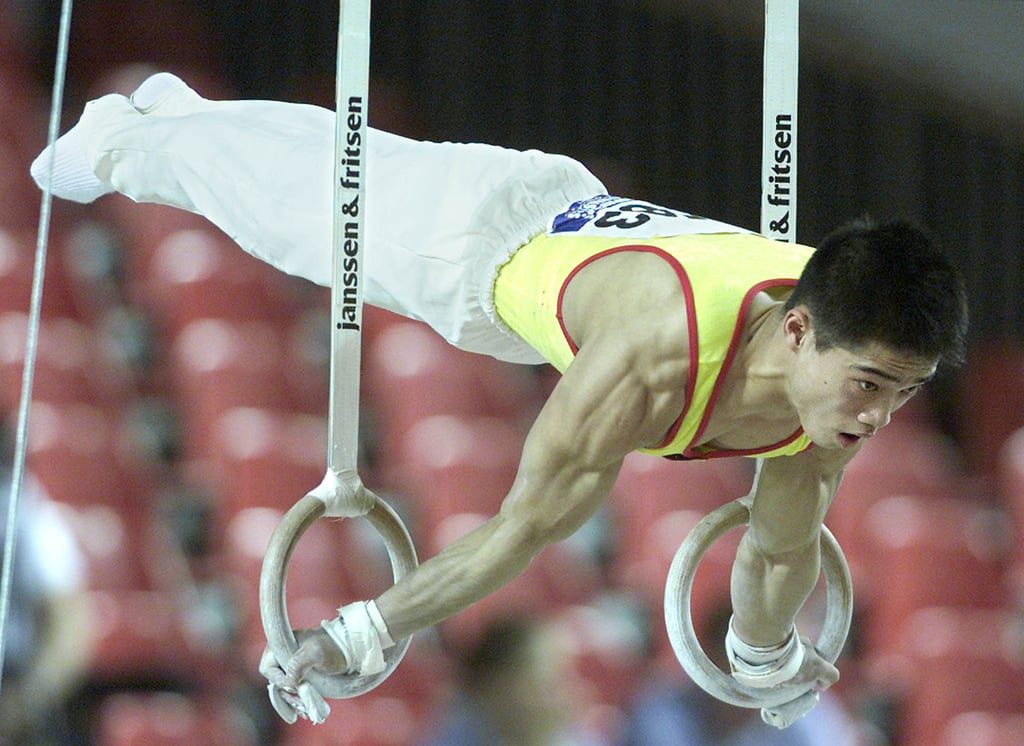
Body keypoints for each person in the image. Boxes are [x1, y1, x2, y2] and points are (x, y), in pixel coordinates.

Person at [31, 71, 968, 728]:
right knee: (291, 216)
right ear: (799, 332)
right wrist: (358, 632)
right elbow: (520, 533)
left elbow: (780, 546)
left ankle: (181, 112)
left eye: (908, 393)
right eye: (874, 386)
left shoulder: (835, 382)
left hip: (570, 224)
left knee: (341, 164)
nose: (881, 416)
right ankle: (123, 143)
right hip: (476, 254)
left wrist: (765, 661)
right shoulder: (650, 366)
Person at [418, 616, 606, 746]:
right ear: (499, 689)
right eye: (546, 684)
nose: (567, 691)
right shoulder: (455, 735)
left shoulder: (582, 739)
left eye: (567, 678)